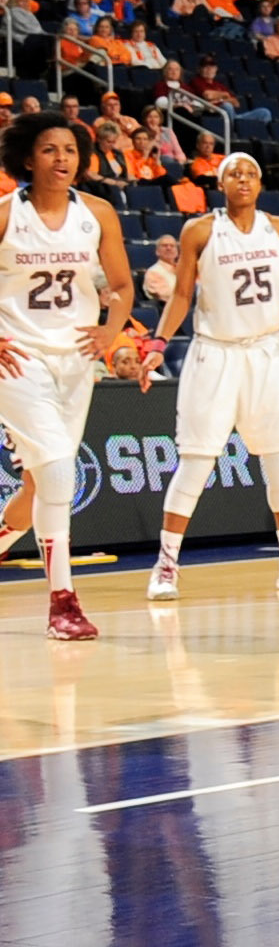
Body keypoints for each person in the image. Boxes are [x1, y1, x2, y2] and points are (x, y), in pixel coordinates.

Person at [142, 154, 279, 600]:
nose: (243, 180)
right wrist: (157, 343)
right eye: (234, 174)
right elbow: (183, 294)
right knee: (197, 460)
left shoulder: (278, 228)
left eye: (250, 174)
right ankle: (165, 566)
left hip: (267, 352)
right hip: (216, 353)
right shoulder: (201, 230)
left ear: (260, 183)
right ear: (220, 183)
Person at [0, 113, 140, 638]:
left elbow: (123, 285)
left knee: (40, 480)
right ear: (27, 159)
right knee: (59, 471)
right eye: (49, 149)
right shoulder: (7, 214)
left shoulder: (98, 213)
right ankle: (63, 602)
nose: (62, 159)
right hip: (18, 358)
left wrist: (110, 332)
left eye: (70, 150)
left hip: (77, 359)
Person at [142, 233, 181, 302]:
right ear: (157, 251)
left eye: (172, 246)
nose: (169, 248)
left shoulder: (184, 269)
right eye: (164, 246)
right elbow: (166, 295)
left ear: (177, 252)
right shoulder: (153, 272)